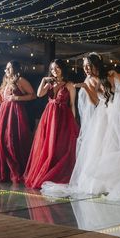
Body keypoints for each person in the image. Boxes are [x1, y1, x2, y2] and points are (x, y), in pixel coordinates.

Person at [41, 53, 120, 200]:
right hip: (105, 112)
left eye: (89, 66)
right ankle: (108, 182)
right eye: (84, 67)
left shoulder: (109, 74)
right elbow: (96, 101)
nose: (87, 69)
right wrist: (85, 87)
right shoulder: (88, 80)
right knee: (104, 146)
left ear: (96, 65)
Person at [24, 59, 79, 189]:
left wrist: (73, 122)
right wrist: (44, 80)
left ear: (62, 69)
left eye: (57, 68)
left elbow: (72, 105)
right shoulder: (49, 84)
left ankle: (59, 174)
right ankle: (47, 172)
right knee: (48, 145)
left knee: (60, 146)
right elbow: (39, 94)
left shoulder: (69, 84)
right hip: (49, 117)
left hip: (63, 117)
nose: (55, 71)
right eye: (53, 69)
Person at [0, 61, 35, 183]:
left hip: (15, 114)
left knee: (12, 143)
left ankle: (17, 172)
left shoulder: (20, 80)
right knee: (2, 142)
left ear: (15, 69)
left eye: (9, 68)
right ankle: (4, 172)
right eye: (5, 68)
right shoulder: (5, 83)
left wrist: (16, 98)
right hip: (4, 114)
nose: (6, 70)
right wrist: (1, 100)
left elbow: (32, 95)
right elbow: (5, 100)